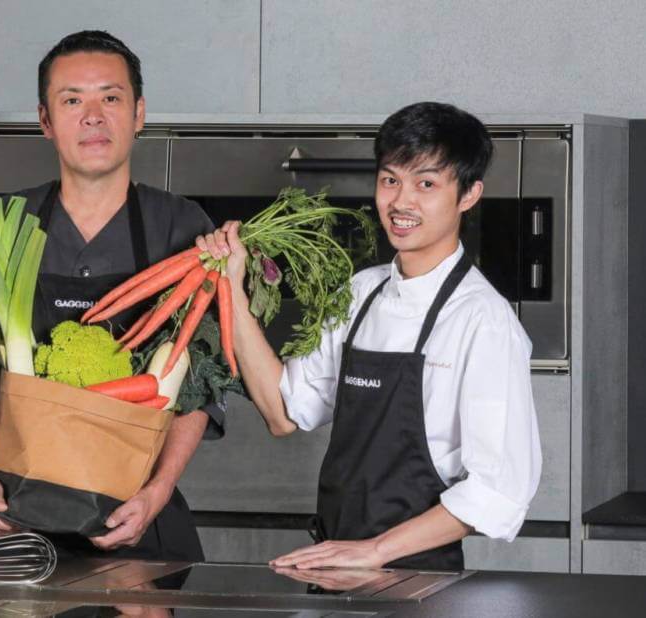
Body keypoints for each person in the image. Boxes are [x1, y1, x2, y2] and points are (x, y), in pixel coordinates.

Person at [0, 30, 224, 562]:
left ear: (139, 113)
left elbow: (198, 386)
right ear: (45, 120)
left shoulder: (182, 228)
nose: (93, 117)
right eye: (72, 101)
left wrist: (156, 493)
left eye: (111, 98)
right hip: (7, 517)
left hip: (137, 517)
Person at [197, 102, 542, 570]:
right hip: (334, 561)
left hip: (420, 575)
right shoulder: (361, 293)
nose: (401, 202)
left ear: (468, 194)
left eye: (426, 184)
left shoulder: (483, 321)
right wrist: (231, 290)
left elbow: (497, 491)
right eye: (390, 180)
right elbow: (283, 413)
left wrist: (375, 551)